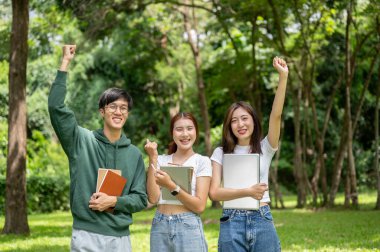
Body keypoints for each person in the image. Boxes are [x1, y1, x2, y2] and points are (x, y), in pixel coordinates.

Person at [48, 45, 147, 252]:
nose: (118, 112)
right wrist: (65, 62)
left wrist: (114, 201)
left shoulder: (134, 154)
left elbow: (140, 198)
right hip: (86, 235)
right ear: (102, 111)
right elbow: (56, 108)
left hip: (120, 239)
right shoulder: (81, 140)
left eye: (123, 108)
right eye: (112, 106)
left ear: (127, 114)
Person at [209, 56, 288, 252]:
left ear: (253, 121)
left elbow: (276, 115)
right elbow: (214, 193)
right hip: (231, 220)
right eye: (234, 120)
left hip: (262, 217)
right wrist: (247, 192)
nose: (240, 124)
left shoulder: (265, 147)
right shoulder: (220, 152)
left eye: (245, 118)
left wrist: (283, 77)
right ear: (229, 126)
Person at [144, 112, 212, 252]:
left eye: (189, 128)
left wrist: (171, 186)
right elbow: (153, 197)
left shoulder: (202, 162)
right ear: (172, 133)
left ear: (196, 132)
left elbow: (199, 206)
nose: (185, 134)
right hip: (160, 226)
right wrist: (153, 158)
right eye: (179, 129)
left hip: (189, 226)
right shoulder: (161, 160)